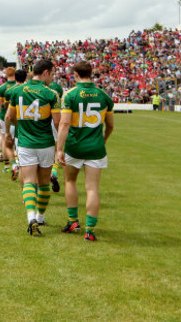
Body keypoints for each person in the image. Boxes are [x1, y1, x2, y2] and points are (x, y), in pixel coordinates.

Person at [56, 61, 114, 242]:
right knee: (92, 189)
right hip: (96, 148)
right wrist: (102, 140)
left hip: (74, 146)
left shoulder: (70, 95)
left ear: (75, 74)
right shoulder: (104, 96)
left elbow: (64, 124)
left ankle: (73, 221)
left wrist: (59, 149)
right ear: (92, 73)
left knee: (70, 181)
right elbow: (110, 126)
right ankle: (90, 230)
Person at [5, 60, 61, 236]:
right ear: (45, 73)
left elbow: (10, 116)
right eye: (52, 74)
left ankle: (30, 217)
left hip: (25, 143)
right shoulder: (51, 94)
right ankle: (41, 216)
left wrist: (16, 129)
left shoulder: (16, 91)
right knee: (44, 183)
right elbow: (58, 122)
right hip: (45, 143)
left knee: (28, 181)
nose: (52, 78)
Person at [3, 69, 28, 183]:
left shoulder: (10, 91)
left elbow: (6, 108)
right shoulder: (29, 90)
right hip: (25, 123)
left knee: (8, 145)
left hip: (13, 121)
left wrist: (7, 131)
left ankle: (13, 165)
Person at [0, 67, 17, 171]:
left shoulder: (2, 88)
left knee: (5, 141)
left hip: (5, 117)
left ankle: (7, 166)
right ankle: (18, 163)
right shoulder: (20, 86)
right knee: (17, 141)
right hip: (18, 117)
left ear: (6, 75)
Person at [48, 78, 64, 192]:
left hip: (41, 120)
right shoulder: (57, 88)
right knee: (57, 147)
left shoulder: (37, 88)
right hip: (55, 118)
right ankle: (54, 171)